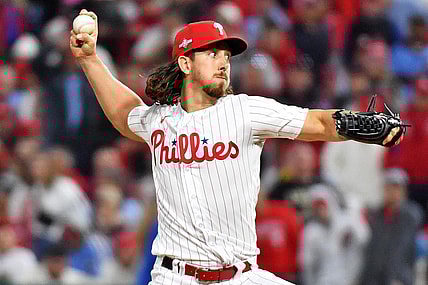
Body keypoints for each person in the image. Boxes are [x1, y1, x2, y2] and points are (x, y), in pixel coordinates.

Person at [70, 9, 405, 285]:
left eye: (226, 54)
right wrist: (90, 61)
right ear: (185, 64)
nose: (223, 61)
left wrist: (359, 125)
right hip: (175, 278)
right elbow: (123, 113)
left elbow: (316, 122)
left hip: (241, 277)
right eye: (212, 52)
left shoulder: (246, 111)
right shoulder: (160, 121)